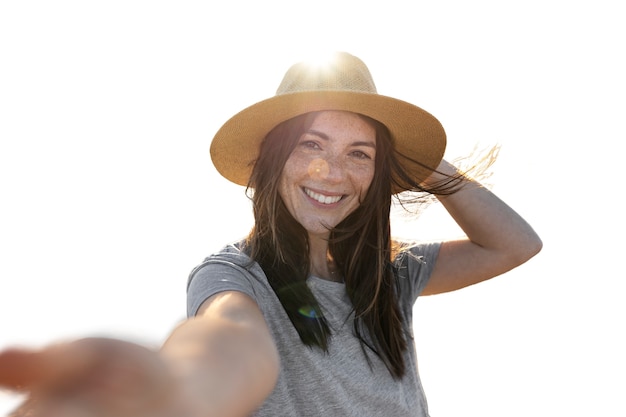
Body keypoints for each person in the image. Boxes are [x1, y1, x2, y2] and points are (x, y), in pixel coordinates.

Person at [0, 52, 542, 417]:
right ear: (270, 158)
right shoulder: (235, 275)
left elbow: (515, 244)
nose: (331, 172)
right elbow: (227, 342)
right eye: (310, 145)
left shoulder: (389, 278)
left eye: (359, 155)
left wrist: (422, 161)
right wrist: (172, 390)